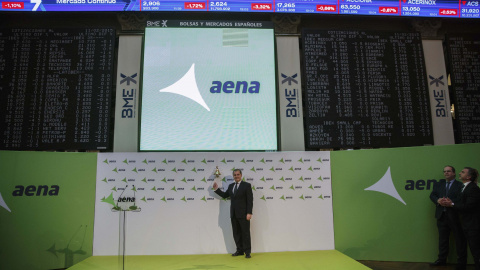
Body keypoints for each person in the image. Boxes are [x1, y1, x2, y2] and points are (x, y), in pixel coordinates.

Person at [442, 167, 480, 270]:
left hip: (472, 225)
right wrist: (451, 202)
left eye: (462, 172)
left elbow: (468, 206)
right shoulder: (464, 187)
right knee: (464, 246)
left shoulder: (473, 188)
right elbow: (461, 203)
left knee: (476, 251)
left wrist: (452, 204)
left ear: (468, 177)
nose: (460, 173)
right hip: (464, 224)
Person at [429, 166, 466, 268]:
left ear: (454, 173)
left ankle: (461, 263)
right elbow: (432, 195)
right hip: (441, 216)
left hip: (456, 217)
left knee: (459, 240)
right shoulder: (439, 184)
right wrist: (438, 200)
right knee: (443, 240)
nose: (446, 173)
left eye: (448, 171)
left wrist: (451, 202)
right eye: (444, 171)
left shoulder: (460, 185)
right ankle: (441, 260)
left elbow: (462, 198)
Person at [213, 169, 253, 258]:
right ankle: (239, 250)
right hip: (233, 214)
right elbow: (224, 195)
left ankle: (247, 252)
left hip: (244, 214)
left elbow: (249, 200)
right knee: (236, 233)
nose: (236, 176)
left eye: (238, 174)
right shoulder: (231, 186)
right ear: (233, 176)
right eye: (235, 175)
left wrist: (249, 212)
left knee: (245, 233)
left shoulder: (247, 185)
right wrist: (216, 189)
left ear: (241, 175)